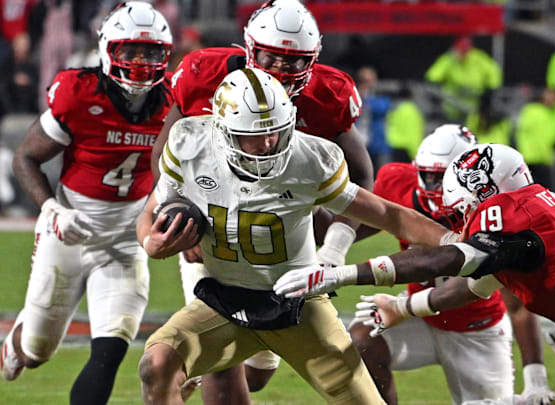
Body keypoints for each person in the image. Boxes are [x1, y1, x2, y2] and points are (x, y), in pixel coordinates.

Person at [275, 143, 555, 405]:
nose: (461, 219)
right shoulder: (529, 216)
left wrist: (343, 275)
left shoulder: (514, 223)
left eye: (464, 206)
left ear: (486, 193)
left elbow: (440, 261)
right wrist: (402, 307)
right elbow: (468, 289)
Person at [137, 68, 456, 405]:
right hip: (223, 302)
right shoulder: (190, 146)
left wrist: (453, 241)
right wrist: (150, 241)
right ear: (224, 131)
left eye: (275, 132)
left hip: (299, 305)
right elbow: (150, 210)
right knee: (157, 362)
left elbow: (388, 214)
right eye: (254, 135)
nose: (267, 143)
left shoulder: (309, 158)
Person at [151, 1, 375, 401]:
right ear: (251, 49)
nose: (282, 70)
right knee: (223, 364)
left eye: (295, 62)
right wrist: (177, 219)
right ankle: (195, 369)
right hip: (215, 227)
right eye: (272, 57)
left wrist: (335, 250)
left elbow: (360, 176)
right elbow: (168, 151)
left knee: (257, 373)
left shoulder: (327, 93)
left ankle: (199, 372)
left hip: (282, 236)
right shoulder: (204, 75)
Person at [1, 3, 173, 405]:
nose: (141, 62)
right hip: (67, 233)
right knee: (38, 352)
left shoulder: (173, 104)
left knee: (110, 350)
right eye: (131, 50)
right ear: (108, 49)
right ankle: (18, 343)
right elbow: (25, 156)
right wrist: (51, 208)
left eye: (151, 52)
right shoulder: (79, 92)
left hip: (126, 239)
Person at [350, 124, 552, 405]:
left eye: (440, 177)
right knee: (361, 341)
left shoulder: (493, 213)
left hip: (477, 329)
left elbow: (518, 303)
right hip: (416, 317)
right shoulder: (399, 182)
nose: (432, 187)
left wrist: (536, 377)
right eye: (427, 175)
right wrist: (328, 243)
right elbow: (364, 219)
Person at [425, 35, 502, 122]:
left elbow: (493, 72)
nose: (463, 52)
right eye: (460, 48)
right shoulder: (449, 59)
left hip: (475, 106)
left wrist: (491, 88)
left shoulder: (479, 58)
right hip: (452, 107)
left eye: (466, 47)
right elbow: (433, 75)